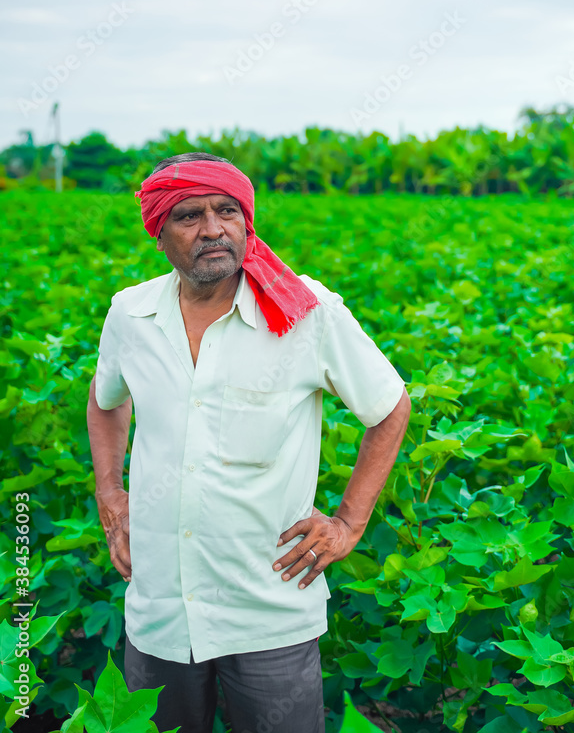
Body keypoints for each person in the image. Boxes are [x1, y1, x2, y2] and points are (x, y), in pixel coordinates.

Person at [87, 152, 411, 733]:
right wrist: (110, 492)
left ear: (247, 221)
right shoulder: (131, 314)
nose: (213, 229)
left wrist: (348, 525)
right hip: (159, 605)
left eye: (227, 211)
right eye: (189, 215)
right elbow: (108, 400)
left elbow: (388, 408)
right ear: (159, 231)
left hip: (269, 608)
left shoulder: (306, 312)